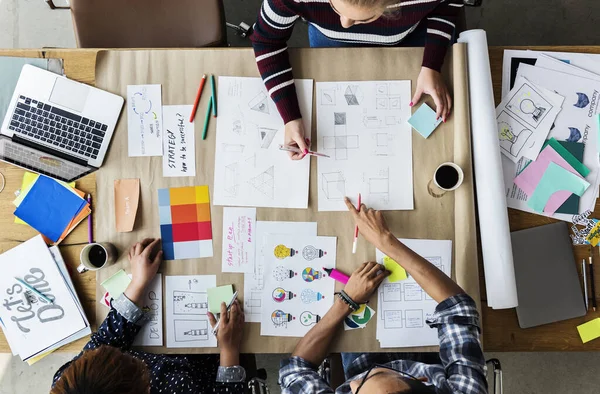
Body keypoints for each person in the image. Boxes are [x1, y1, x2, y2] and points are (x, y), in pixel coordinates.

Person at [278, 199, 488, 393]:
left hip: (361, 355)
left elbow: (295, 371)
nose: (351, 383)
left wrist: (347, 300)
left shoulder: (355, 382)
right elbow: (458, 308)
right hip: (431, 355)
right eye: (372, 375)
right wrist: (385, 241)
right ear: (424, 381)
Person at [251, 0, 460, 160]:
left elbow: (448, 6)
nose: (345, 23)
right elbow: (266, 40)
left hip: (409, 37)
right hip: (329, 42)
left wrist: (432, 64)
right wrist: (290, 116)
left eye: (363, 18)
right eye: (335, 6)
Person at [50, 238, 246, 394]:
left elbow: (106, 340)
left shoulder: (67, 382)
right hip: (210, 368)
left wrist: (138, 283)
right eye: (138, 368)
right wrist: (229, 349)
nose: (138, 360)